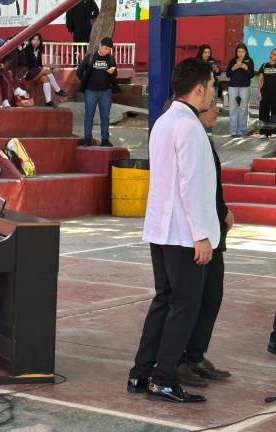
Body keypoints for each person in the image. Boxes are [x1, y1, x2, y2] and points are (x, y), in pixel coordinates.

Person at [128, 58, 219, 403]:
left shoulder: (164, 122)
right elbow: (191, 185)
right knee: (184, 305)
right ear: (199, 89)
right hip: (183, 233)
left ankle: (141, 373)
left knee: (164, 301)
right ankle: (163, 377)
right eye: (211, 86)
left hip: (161, 230)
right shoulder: (191, 127)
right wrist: (201, 234)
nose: (213, 93)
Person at [175, 100, 234, 388]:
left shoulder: (204, 139)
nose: (216, 114)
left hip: (213, 224)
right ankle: (181, 359)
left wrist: (223, 211)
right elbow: (193, 187)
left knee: (212, 295)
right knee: (192, 299)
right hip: (197, 230)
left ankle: (196, 354)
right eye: (214, 108)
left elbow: (213, 186)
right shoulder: (190, 135)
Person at [76, 37, 120, 147]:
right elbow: (79, 71)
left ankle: (105, 139)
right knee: (89, 115)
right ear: (100, 45)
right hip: (91, 91)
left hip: (106, 92)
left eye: (109, 49)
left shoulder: (111, 59)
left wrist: (112, 72)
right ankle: (87, 139)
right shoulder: (90, 57)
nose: (106, 51)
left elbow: (115, 74)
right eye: (105, 48)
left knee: (105, 116)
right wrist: (85, 82)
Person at [20, 33, 68, 107]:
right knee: (46, 70)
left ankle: (48, 102)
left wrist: (45, 66)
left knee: (45, 79)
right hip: (28, 73)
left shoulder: (38, 50)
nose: (36, 41)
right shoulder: (27, 49)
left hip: (35, 73)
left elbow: (38, 65)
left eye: (38, 40)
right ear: (30, 40)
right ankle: (58, 90)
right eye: (34, 39)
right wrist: (42, 68)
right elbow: (29, 65)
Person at [226, 43, 255, 138]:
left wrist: (245, 67)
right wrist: (234, 67)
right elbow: (228, 74)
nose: (240, 54)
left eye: (242, 51)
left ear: (245, 52)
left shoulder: (249, 61)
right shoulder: (232, 61)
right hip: (233, 87)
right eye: (238, 51)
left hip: (245, 87)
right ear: (236, 52)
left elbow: (251, 75)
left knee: (243, 108)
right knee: (233, 108)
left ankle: (242, 130)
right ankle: (233, 130)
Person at [257, 49, 276, 139]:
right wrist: (258, 91)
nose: (272, 55)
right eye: (272, 54)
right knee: (263, 112)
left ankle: (273, 132)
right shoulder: (264, 65)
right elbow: (260, 79)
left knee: (274, 113)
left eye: (274, 54)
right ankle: (263, 132)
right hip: (265, 92)